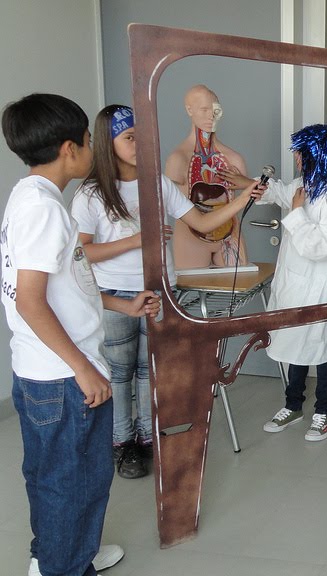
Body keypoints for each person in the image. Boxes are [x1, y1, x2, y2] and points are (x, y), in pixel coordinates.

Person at [0, 93, 159, 576]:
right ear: (70, 148)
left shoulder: (31, 197)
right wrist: (83, 369)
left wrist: (122, 304)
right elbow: (30, 300)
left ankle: (59, 556)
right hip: (62, 377)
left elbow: (67, 284)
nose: (94, 149)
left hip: (43, 369)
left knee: (54, 476)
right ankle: (64, 567)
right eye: (90, 140)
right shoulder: (44, 210)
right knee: (73, 481)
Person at [70, 105, 263, 480]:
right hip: (114, 295)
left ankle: (147, 438)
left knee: (152, 370)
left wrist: (243, 199)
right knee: (119, 372)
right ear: (108, 144)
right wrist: (137, 241)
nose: (139, 143)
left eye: (141, 135)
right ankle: (121, 443)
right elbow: (82, 253)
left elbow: (201, 220)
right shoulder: (91, 194)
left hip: (160, 289)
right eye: (129, 137)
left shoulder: (156, 182)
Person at [221, 124, 327, 442]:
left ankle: (324, 411)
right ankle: (293, 405)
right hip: (293, 284)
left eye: (301, 153)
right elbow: (281, 192)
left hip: (316, 287)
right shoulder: (305, 184)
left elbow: (320, 247)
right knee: (294, 343)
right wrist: (248, 183)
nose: (296, 158)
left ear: (319, 155)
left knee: (320, 345)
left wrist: (296, 213)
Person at [165, 84, 250, 269]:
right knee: (191, 286)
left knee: (238, 284)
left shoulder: (233, 159)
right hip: (190, 238)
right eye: (204, 110)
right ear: (189, 110)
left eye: (215, 110)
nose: (210, 116)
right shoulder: (178, 159)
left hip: (229, 235)